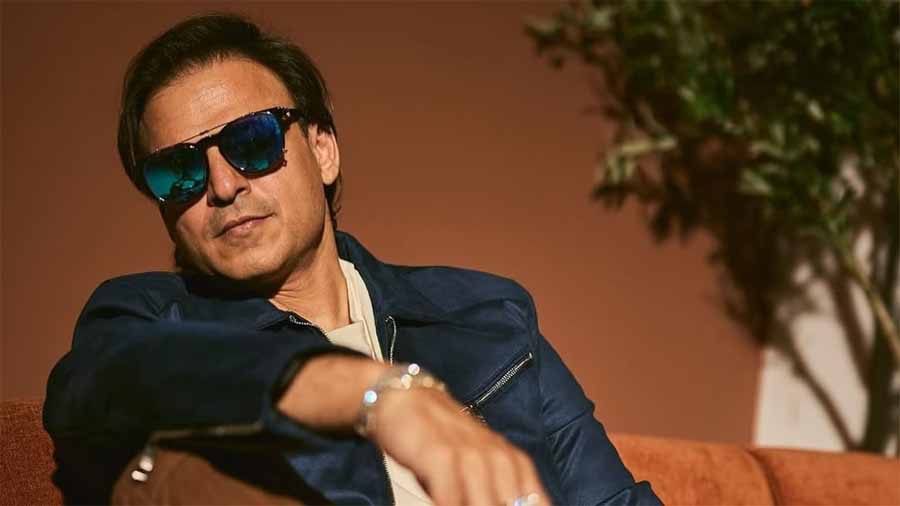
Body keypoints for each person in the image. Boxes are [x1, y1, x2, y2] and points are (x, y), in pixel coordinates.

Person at [43, 13, 661, 506]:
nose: (223, 186)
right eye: (177, 170)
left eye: (252, 140)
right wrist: (377, 396)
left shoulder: (489, 314)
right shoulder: (150, 320)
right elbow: (100, 385)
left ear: (323, 151)